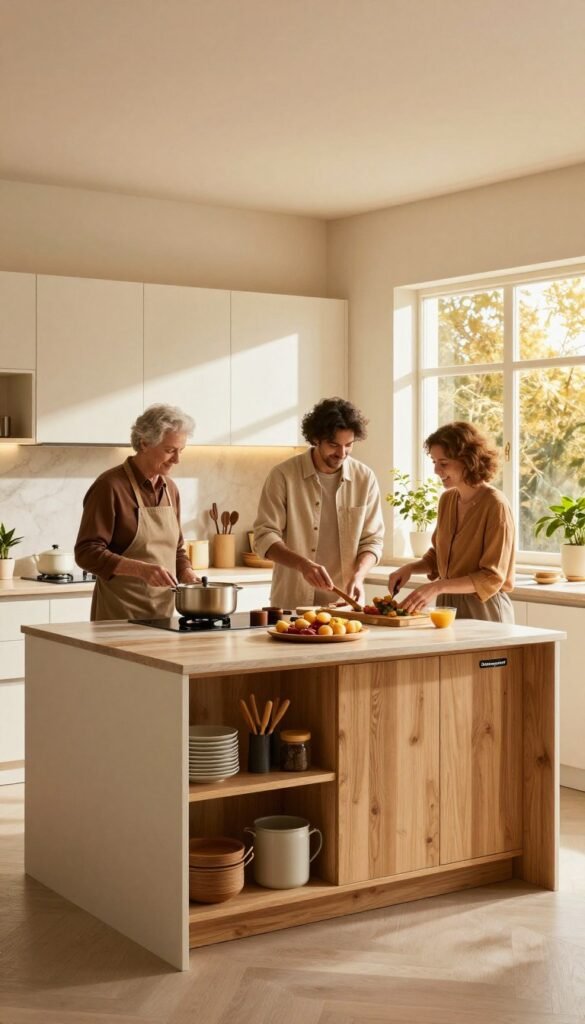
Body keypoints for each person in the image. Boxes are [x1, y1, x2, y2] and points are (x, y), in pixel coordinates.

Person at [254, 397, 384, 610]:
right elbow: (264, 536)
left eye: (348, 445)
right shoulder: (283, 475)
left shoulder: (365, 478)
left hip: (345, 605)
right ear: (316, 438)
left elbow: (373, 540)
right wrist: (302, 565)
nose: (341, 453)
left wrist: (359, 576)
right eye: (334, 445)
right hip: (292, 603)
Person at [75, 404, 200, 621]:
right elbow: (86, 552)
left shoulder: (170, 489)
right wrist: (141, 570)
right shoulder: (110, 486)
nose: (177, 460)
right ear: (144, 443)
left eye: (181, 451)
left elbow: (176, 550)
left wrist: (186, 572)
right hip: (118, 616)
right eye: (170, 450)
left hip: (163, 615)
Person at [388, 421, 515, 622]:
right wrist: (410, 569)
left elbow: (492, 577)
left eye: (444, 463)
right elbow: (439, 557)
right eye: (434, 462)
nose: (436, 470)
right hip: (447, 608)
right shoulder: (447, 500)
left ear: (468, 460)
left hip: (484, 610)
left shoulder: (495, 505)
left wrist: (437, 587)